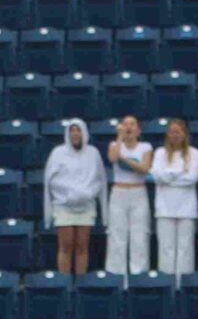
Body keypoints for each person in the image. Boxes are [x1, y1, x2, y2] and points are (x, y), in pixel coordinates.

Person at [43, 119, 106, 276]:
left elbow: (99, 179)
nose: (75, 133)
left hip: (86, 205)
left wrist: (86, 193)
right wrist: (71, 193)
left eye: (78, 130)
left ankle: (80, 283)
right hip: (64, 205)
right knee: (66, 246)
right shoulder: (57, 153)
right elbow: (52, 181)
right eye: (72, 130)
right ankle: (65, 282)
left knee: (82, 247)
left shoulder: (93, 153)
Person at [105, 116, 155, 276]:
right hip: (119, 192)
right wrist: (120, 138)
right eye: (125, 125)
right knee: (117, 233)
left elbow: (144, 168)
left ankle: (138, 274)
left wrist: (125, 159)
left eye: (132, 125)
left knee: (139, 234)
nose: (129, 128)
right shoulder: (114, 145)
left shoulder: (145, 147)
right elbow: (113, 158)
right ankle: (116, 274)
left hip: (138, 192)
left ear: (138, 130)